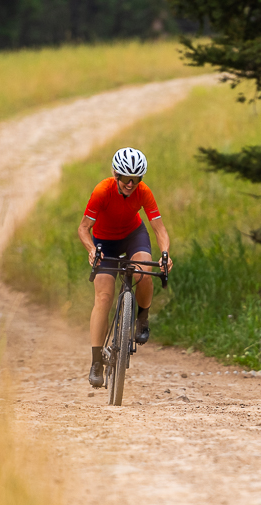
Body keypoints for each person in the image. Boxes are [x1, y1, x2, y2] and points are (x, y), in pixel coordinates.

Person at [78, 147, 172, 387]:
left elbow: (159, 228)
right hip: (104, 242)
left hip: (133, 235)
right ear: (115, 174)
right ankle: (97, 361)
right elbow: (83, 228)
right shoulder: (102, 191)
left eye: (136, 179)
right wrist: (91, 249)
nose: (131, 184)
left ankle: (142, 316)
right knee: (104, 296)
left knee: (144, 271)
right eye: (125, 178)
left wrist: (164, 254)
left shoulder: (144, 192)